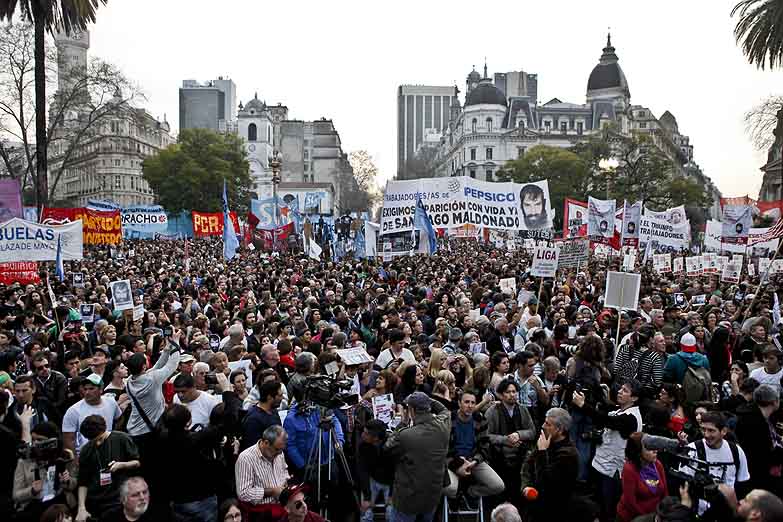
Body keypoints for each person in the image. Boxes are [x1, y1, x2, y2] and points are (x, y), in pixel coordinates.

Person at [572, 380, 643, 522]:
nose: (620, 392)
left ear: (634, 398)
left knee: (607, 509)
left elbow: (606, 420)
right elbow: (605, 416)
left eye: (625, 391)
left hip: (613, 471)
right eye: (621, 389)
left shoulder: (631, 418)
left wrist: (583, 405)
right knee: (597, 505)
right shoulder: (618, 411)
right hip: (600, 464)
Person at [384, 391, 451, 522]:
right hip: (432, 496)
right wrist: (427, 400)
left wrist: (402, 423)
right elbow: (444, 410)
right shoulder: (444, 426)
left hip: (408, 500)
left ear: (412, 410)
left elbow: (387, 448)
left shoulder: (406, 435)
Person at [158, 403, 222, 521]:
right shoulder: (195, 439)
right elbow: (222, 424)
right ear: (188, 422)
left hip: (177, 499)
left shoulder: (162, 437)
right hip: (202, 500)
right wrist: (227, 391)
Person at [678, 411, 750, 515]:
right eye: (703, 429)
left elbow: (743, 483)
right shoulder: (692, 450)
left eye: (711, 430)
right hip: (700, 513)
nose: (706, 435)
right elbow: (684, 486)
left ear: (724, 431)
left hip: (728, 512)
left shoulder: (736, 451)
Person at [75, 415, 141, 521]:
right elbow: (83, 482)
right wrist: (81, 508)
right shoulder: (86, 450)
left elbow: (137, 462)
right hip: (97, 501)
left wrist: (122, 465)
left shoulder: (121, 438)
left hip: (120, 498)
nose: (97, 443)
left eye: (100, 439)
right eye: (93, 441)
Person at [444, 390, 504, 503]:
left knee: (498, 486)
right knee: (450, 489)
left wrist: (475, 461)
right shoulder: (448, 419)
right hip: (452, 461)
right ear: (459, 403)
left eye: (473, 402)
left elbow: (485, 446)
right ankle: (456, 496)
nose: (470, 406)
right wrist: (458, 464)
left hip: (473, 461)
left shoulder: (480, 420)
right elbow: (443, 449)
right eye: (466, 402)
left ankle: (468, 493)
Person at [520, 407, 578, 521]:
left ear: (560, 430)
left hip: (553, 509)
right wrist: (526, 487)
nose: (543, 426)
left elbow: (546, 482)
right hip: (534, 504)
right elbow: (527, 465)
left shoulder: (568, 455)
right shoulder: (546, 441)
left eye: (548, 424)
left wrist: (542, 453)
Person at [485, 378, 536, 505]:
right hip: (499, 456)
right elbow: (485, 435)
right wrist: (505, 440)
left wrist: (518, 434)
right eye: (508, 392)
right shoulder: (492, 411)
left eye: (514, 391)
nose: (512, 395)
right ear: (501, 395)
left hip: (520, 454)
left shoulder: (523, 409)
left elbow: (532, 431)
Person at [734, 384, 783, 496]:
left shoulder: (759, 417)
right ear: (774, 401)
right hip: (756, 478)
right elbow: (762, 453)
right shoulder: (754, 422)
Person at [62, 373, 123, 455]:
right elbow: (68, 439)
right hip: (87, 454)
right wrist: (75, 462)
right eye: (85, 389)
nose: (87, 392)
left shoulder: (111, 402)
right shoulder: (73, 411)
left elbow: (119, 419)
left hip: (109, 451)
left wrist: (113, 436)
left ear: (101, 389)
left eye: (91, 389)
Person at [235, 424, 289, 513]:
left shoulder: (279, 453)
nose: (279, 453)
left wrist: (286, 484)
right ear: (266, 443)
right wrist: (272, 491)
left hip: (282, 506)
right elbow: (243, 494)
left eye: (281, 449)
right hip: (261, 512)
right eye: (276, 449)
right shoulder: (246, 458)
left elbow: (284, 472)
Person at [616, 432, 668, 522]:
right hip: (633, 517)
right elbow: (630, 502)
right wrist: (649, 519)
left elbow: (665, 493)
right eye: (649, 448)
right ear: (638, 451)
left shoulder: (658, 464)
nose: (655, 450)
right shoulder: (629, 469)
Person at [357, 419, 394, 522]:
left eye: (366, 433)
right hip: (373, 479)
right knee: (365, 513)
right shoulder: (363, 445)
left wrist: (392, 495)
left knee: (392, 512)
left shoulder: (392, 446)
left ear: (376, 438)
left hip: (391, 482)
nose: (362, 435)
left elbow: (397, 471)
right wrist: (367, 498)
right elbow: (362, 470)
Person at [99, 476, 171, 522]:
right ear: (124, 500)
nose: (142, 498)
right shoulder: (110, 518)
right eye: (135, 495)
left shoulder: (161, 513)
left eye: (145, 492)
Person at [241, 380, 283, 450]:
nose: (282, 398)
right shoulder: (253, 420)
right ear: (270, 397)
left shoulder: (273, 411)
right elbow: (252, 449)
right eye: (280, 395)